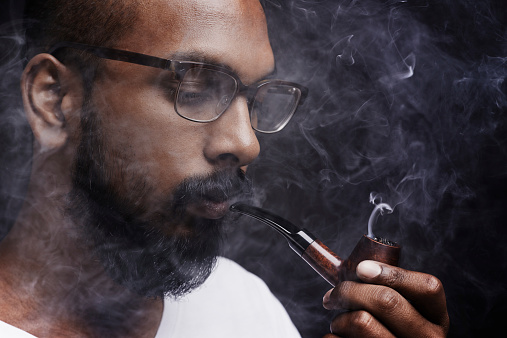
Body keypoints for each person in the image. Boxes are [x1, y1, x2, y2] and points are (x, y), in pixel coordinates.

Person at [0, 0, 449, 336]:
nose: (246, 143)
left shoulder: (244, 308)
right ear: (55, 100)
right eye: (194, 86)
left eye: (254, 100)